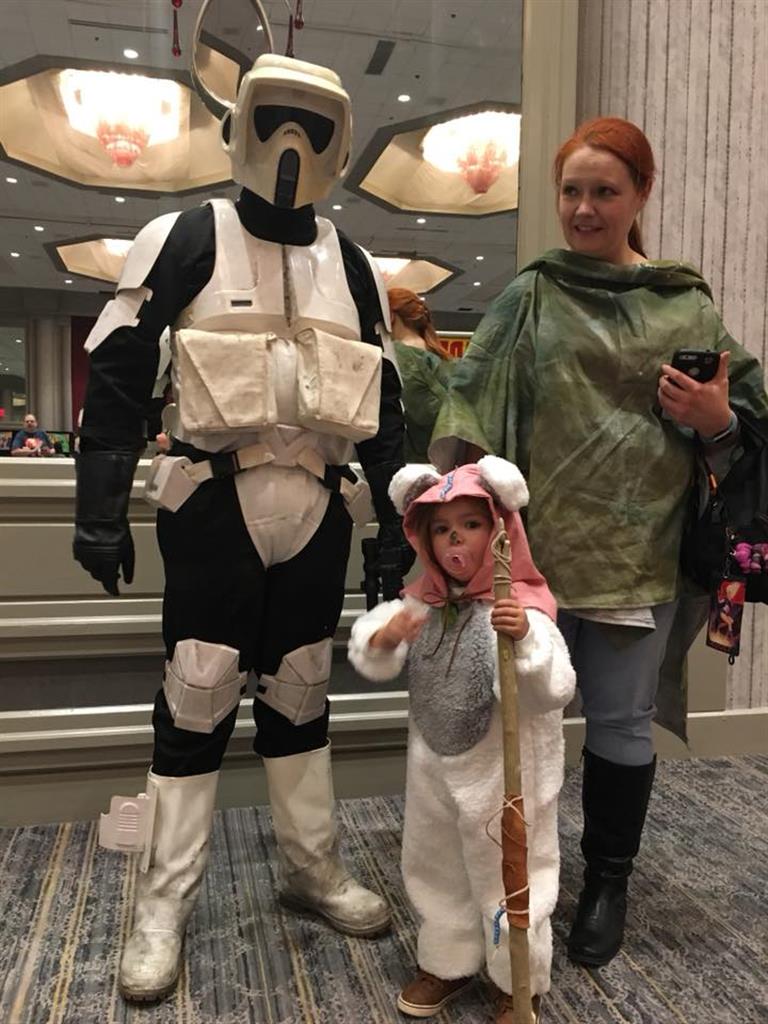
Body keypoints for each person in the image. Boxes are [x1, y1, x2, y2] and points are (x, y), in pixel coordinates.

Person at [73, 48, 412, 1002]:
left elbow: (386, 408)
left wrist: (395, 527)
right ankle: (164, 900)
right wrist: (99, 511)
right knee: (198, 692)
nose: (292, 141)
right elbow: (117, 374)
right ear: (240, 123)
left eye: (315, 122)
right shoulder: (183, 236)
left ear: (342, 140)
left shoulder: (354, 265)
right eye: (276, 116)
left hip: (319, 510)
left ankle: (311, 867)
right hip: (213, 504)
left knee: (302, 689)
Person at [429, 116, 768, 967]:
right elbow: (468, 404)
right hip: (530, 559)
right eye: (571, 191)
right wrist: (447, 532)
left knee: (620, 723)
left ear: (641, 193)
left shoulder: (685, 303)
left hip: (638, 557)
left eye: (605, 191)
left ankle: (606, 883)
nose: (584, 208)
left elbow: (747, 420)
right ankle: (512, 882)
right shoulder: (532, 295)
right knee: (516, 724)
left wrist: (715, 417)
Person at [349, 457, 575, 1023]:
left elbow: (555, 688)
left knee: (512, 869)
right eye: (442, 528)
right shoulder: (423, 603)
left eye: (471, 524)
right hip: (434, 763)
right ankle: (446, 960)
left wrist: (525, 641)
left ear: (500, 531)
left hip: (504, 772)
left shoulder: (523, 606)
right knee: (435, 862)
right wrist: (384, 637)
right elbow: (373, 646)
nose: (455, 539)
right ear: (423, 539)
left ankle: (517, 974)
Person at [388, 287, 451, 462]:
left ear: (390, 316)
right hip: (448, 457)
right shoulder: (442, 358)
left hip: (412, 459)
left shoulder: (394, 356)